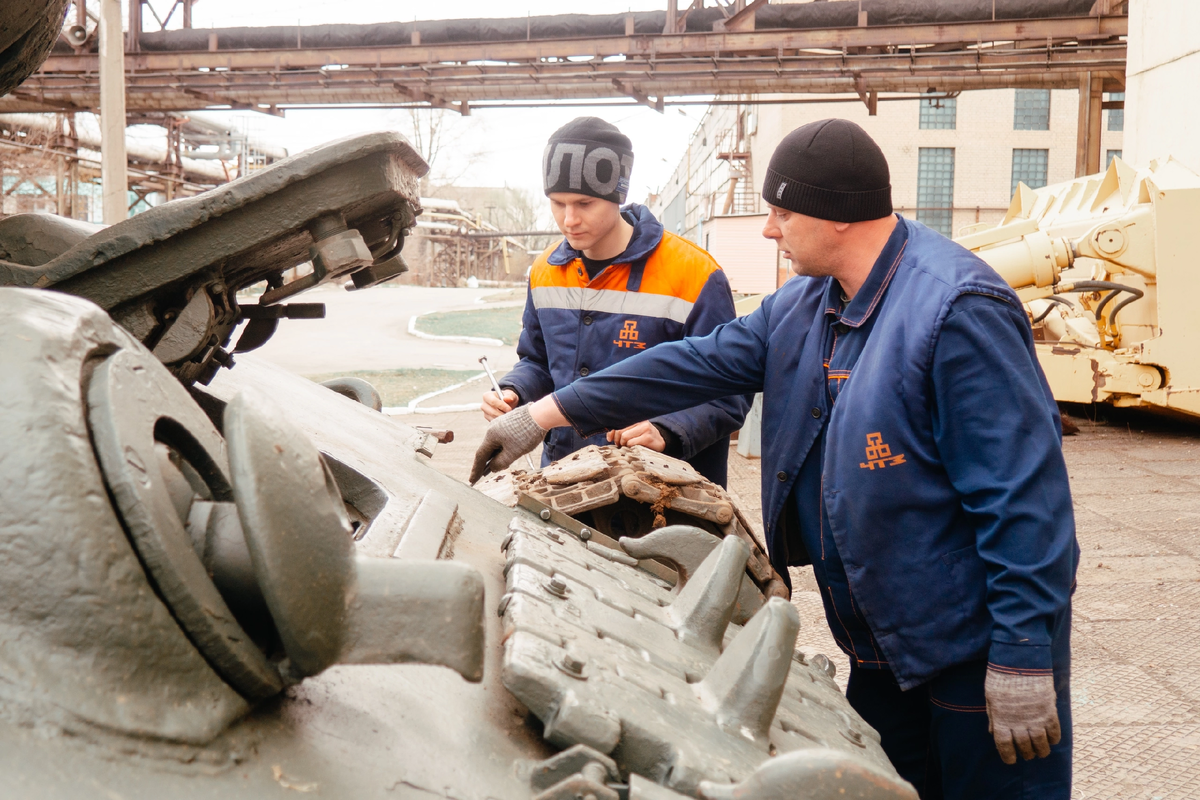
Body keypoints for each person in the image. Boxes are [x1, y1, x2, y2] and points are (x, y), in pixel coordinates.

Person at [471, 119, 1079, 800]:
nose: (769, 230)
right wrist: (544, 414)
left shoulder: (955, 309)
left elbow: (1023, 498)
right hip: (881, 642)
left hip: (971, 648)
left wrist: (1023, 655)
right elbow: (689, 364)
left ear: (839, 217)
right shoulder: (806, 305)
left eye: (782, 213)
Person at [479, 117, 749, 487]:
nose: (568, 219)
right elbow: (539, 361)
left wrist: (668, 430)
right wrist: (514, 391)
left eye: (584, 203)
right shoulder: (545, 271)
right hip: (564, 480)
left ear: (617, 194)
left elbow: (730, 392)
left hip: (660, 492)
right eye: (557, 203)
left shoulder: (694, 275)